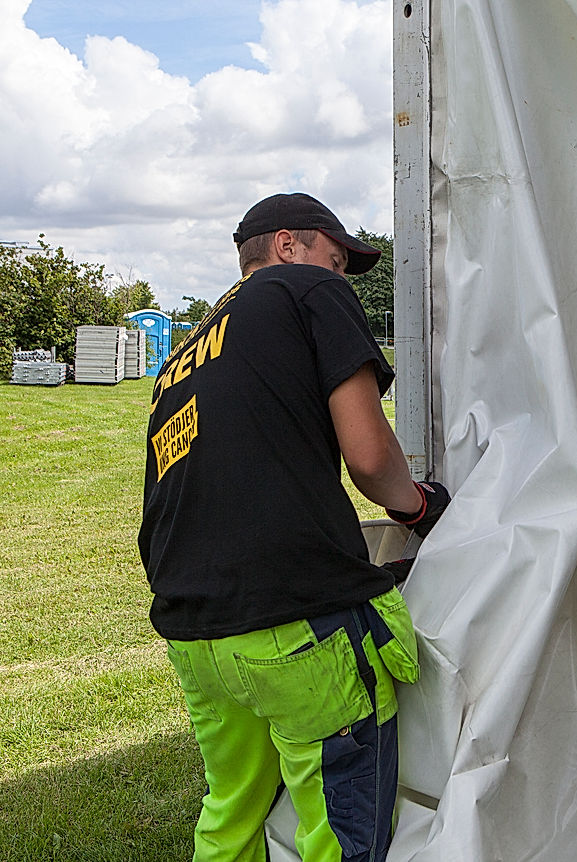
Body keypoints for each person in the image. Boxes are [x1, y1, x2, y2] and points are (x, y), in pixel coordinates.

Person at [139, 192, 451, 862]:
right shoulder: (305, 288)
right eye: (336, 260)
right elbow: (370, 457)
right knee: (339, 830)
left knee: (233, 812)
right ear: (288, 246)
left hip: (196, 630)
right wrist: (419, 507)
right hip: (296, 618)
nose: (338, 277)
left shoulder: (187, 349)